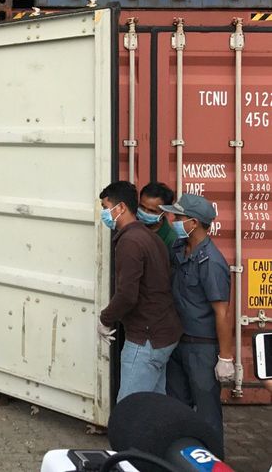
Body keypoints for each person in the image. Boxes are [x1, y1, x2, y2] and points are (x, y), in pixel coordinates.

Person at [160, 193, 234, 457]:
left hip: (202, 349)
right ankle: (182, 459)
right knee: (177, 409)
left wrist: (225, 357)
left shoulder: (211, 262)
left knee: (206, 415)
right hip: (179, 343)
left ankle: (213, 462)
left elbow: (222, 313)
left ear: (193, 223)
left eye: (178, 217)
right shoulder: (180, 249)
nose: (174, 221)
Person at [97, 181, 182, 402]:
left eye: (106, 207)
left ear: (121, 208)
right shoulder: (149, 237)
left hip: (146, 339)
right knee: (153, 405)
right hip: (164, 334)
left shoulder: (130, 242)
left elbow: (127, 295)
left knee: (130, 407)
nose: (104, 213)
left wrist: (105, 319)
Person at [138, 182, 178, 253]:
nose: (145, 212)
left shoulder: (172, 240)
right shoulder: (131, 227)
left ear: (164, 212)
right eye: (142, 207)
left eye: (151, 211)